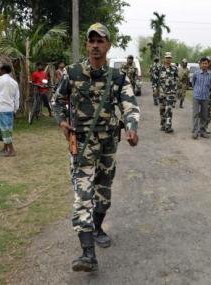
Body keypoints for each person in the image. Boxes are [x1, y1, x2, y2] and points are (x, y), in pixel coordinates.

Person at [52, 23, 140, 272]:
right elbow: (56, 100)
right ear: (87, 44)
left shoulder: (118, 76)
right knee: (82, 196)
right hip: (81, 146)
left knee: (103, 193)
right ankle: (87, 253)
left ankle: (98, 227)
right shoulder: (72, 72)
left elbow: (130, 105)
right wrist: (61, 121)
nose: (95, 45)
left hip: (108, 145)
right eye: (91, 41)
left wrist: (132, 127)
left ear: (108, 45)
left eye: (100, 41)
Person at [0, 64, 20, 157]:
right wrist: (15, 110)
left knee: (4, 130)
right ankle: (5, 148)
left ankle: (12, 150)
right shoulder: (14, 82)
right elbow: (17, 98)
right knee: (6, 129)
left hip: (1, 108)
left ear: (3, 70)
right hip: (10, 109)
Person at [192, 57, 211, 139]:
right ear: (200, 64)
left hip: (205, 97)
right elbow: (193, 83)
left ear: (208, 64)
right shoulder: (196, 73)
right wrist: (196, 91)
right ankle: (195, 131)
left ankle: (202, 131)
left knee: (204, 115)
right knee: (195, 114)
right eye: (203, 63)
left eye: (206, 63)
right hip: (196, 97)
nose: (204, 65)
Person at [159, 51, 178, 133]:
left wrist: (175, 92)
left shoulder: (174, 68)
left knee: (169, 109)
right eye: (167, 57)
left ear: (171, 58)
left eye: (169, 58)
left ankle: (168, 126)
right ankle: (163, 124)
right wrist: (155, 89)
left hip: (171, 92)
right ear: (164, 58)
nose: (168, 59)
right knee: (162, 109)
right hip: (161, 92)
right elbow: (156, 79)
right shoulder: (160, 68)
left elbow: (176, 80)